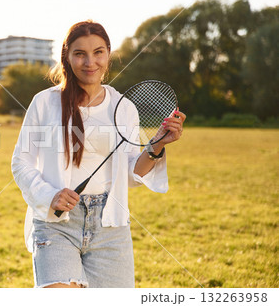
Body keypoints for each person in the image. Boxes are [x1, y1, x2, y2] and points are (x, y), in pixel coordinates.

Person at [11, 21, 186, 288]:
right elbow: (21, 162)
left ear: (108, 54)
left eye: (98, 52)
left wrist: (156, 146)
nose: (90, 62)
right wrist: (50, 195)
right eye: (80, 53)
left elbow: (131, 173)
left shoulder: (124, 107)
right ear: (67, 57)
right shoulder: (45, 102)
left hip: (110, 227)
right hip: (56, 224)